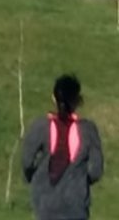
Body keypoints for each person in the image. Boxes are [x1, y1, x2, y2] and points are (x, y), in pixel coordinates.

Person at [21, 74, 104, 220]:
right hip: (76, 203)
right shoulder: (88, 130)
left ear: (54, 97)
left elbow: (27, 161)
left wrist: (34, 178)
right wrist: (82, 181)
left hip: (45, 203)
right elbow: (97, 170)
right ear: (78, 100)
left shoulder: (40, 127)